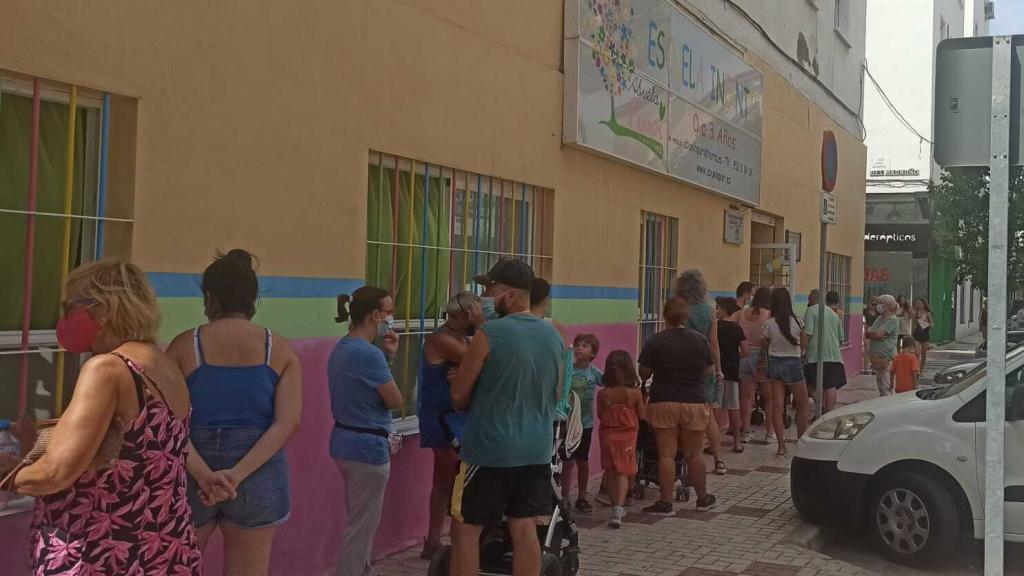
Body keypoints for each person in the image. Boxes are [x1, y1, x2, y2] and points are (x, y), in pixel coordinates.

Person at [2, 260, 204, 573]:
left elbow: (56, 473)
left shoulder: (107, 370)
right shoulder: (163, 367)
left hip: (101, 555)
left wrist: (9, 475)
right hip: (162, 551)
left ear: (106, 310)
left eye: (70, 307)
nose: (64, 318)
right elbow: (134, 451)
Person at [166, 249, 302, 576]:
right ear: (253, 297)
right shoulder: (280, 349)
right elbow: (287, 423)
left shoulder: (184, 346)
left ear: (209, 296)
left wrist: (203, 473)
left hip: (190, 471)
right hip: (258, 472)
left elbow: (167, 422)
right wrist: (237, 474)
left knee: (178, 567)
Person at [449, 259, 564, 576]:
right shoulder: (553, 334)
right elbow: (554, 394)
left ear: (510, 294)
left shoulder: (489, 333)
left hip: (490, 450)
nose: (485, 295)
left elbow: (459, 396)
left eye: (490, 289)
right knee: (524, 527)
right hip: (535, 449)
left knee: (465, 529)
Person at [328, 286, 404, 576]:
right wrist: (388, 359)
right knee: (361, 528)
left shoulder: (344, 347)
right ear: (374, 315)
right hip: (366, 448)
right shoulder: (368, 355)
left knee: (361, 520)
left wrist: (388, 356)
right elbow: (396, 399)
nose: (390, 318)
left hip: (345, 441)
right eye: (387, 312)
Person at [416, 292, 484, 559]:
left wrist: (467, 373)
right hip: (441, 419)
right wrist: (470, 369)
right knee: (454, 479)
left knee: (445, 480)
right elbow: (485, 363)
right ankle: (446, 540)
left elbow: (476, 366)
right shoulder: (442, 340)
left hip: (455, 417)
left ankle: (433, 540)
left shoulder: (462, 338)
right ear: (465, 315)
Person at [638, 297, 717, 515]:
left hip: (664, 400)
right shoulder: (699, 340)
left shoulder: (656, 340)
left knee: (666, 455)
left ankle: (665, 503)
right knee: (694, 453)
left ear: (665, 316)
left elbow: (644, 372)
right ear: (686, 316)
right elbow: (709, 370)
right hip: (693, 400)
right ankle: (703, 498)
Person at [674, 270, 727, 476]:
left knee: (681, 413)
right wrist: (719, 368)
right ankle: (719, 460)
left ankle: (685, 458)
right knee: (708, 414)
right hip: (704, 364)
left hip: (680, 363)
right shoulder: (709, 309)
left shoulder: (678, 307)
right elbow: (714, 343)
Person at [597, 350, 644, 528]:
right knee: (623, 471)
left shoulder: (603, 394)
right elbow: (641, 414)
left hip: (608, 435)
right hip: (628, 436)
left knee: (611, 471)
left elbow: (601, 415)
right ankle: (618, 508)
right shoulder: (634, 394)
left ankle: (613, 503)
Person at [762, 287, 809, 457]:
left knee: (777, 406)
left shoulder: (769, 323)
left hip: (774, 364)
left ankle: (781, 446)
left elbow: (765, 341)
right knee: (803, 404)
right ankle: (801, 440)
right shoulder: (798, 321)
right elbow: (804, 345)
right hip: (793, 363)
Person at [562, 333, 602, 514]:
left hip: (585, 424)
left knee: (582, 462)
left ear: (593, 353)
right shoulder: (567, 369)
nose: (579, 348)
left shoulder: (594, 373)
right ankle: (563, 497)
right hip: (566, 422)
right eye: (577, 344)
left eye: (585, 345)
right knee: (567, 462)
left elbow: (611, 383)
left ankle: (582, 497)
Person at [732, 286, 772, 444]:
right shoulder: (769, 314)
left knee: (746, 397)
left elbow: (727, 322)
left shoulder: (742, 313)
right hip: (762, 358)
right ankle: (770, 433)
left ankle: (746, 431)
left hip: (744, 356)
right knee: (769, 398)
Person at [802, 289, 847, 415]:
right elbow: (841, 338)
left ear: (815, 299)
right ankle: (828, 412)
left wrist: (802, 350)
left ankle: (820, 408)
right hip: (834, 356)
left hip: (815, 355)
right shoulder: (834, 314)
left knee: (811, 384)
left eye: (809, 299)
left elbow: (808, 334)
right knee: (830, 385)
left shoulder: (810, 311)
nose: (807, 302)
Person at [715, 297, 747, 452]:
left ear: (725, 310)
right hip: (732, 371)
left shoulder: (714, 327)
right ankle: (736, 442)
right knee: (733, 407)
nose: (716, 310)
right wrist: (735, 357)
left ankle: (714, 443)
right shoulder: (736, 328)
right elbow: (745, 350)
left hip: (717, 371)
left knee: (715, 407)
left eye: (718, 307)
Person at [865, 295, 901, 397]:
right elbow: (867, 333)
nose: (878, 306)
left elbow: (877, 334)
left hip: (886, 358)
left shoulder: (892, 320)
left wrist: (875, 335)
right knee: (881, 387)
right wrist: (875, 335)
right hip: (877, 358)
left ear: (888, 305)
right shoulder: (879, 318)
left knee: (886, 387)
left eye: (880, 303)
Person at [912, 298, 934, 371]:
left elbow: (932, 325)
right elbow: (914, 324)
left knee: (923, 354)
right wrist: (912, 334)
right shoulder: (916, 313)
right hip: (917, 334)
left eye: (920, 303)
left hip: (925, 334)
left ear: (924, 305)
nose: (919, 305)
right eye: (917, 303)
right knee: (917, 353)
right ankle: (916, 369)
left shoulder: (928, 313)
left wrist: (926, 322)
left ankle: (921, 370)